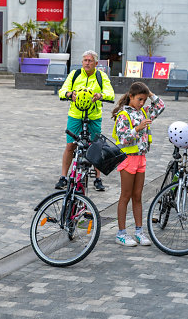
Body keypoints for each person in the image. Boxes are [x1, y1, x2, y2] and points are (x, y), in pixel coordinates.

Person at [112, 82, 165, 246]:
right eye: (139, 99)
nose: (142, 103)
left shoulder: (144, 111)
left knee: (137, 196)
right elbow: (122, 138)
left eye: (144, 100)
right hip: (128, 159)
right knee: (125, 196)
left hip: (141, 158)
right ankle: (121, 233)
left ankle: (139, 231)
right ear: (131, 97)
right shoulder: (123, 115)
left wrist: (149, 93)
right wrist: (138, 128)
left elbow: (161, 106)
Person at [55, 50, 115, 191]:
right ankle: (63, 177)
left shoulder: (101, 76)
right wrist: (70, 94)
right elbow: (62, 91)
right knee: (70, 145)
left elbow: (110, 93)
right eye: (85, 60)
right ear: (82, 62)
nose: (87, 63)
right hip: (75, 115)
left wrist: (100, 95)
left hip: (94, 116)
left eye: (90, 60)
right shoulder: (75, 75)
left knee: (96, 146)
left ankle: (98, 178)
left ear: (95, 63)